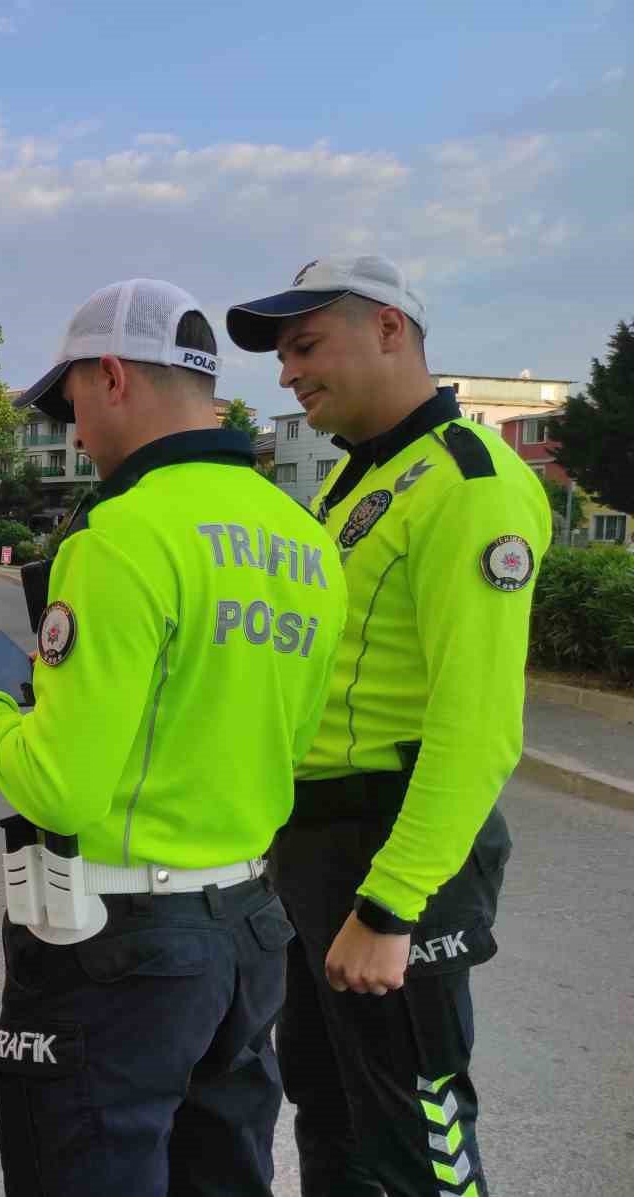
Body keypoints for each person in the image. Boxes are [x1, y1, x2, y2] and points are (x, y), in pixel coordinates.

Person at [0, 279, 346, 1195]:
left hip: (118, 948)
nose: (76, 433)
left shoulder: (119, 535)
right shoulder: (304, 537)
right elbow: (289, 739)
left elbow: (61, 786)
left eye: (72, 405)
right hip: (244, 929)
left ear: (110, 376)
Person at [227, 254, 552, 1196]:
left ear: (389, 330)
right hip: (317, 850)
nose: (286, 372)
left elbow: (480, 723)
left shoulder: (469, 481)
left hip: (395, 851)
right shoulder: (359, 484)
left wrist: (391, 903)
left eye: (305, 344)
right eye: (282, 354)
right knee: (330, 1112)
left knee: (419, 1137)